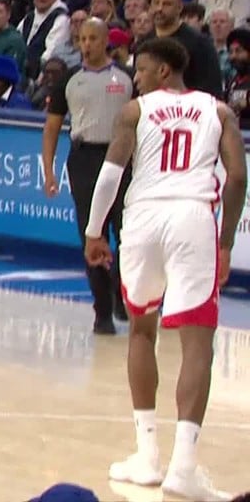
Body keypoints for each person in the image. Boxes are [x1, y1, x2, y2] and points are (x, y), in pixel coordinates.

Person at [83, 38, 246, 501]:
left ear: (162, 72)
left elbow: (111, 175)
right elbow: (237, 177)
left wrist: (94, 232)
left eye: (141, 69)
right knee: (198, 343)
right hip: (191, 217)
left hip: (143, 218)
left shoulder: (135, 112)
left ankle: (147, 456)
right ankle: (184, 468)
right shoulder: (219, 112)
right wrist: (226, 241)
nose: (135, 77)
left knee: (141, 330)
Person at [42, 17, 133, 334]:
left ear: (106, 40)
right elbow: (52, 127)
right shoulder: (69, 79)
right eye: (82, 39)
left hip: (121, 158)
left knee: (128, 233)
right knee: (91, 233)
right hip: (84, 159)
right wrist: (49, 171)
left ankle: (122, 291)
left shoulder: (126, 77)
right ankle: (102, 312)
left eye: (93, 38)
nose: (87, 44)